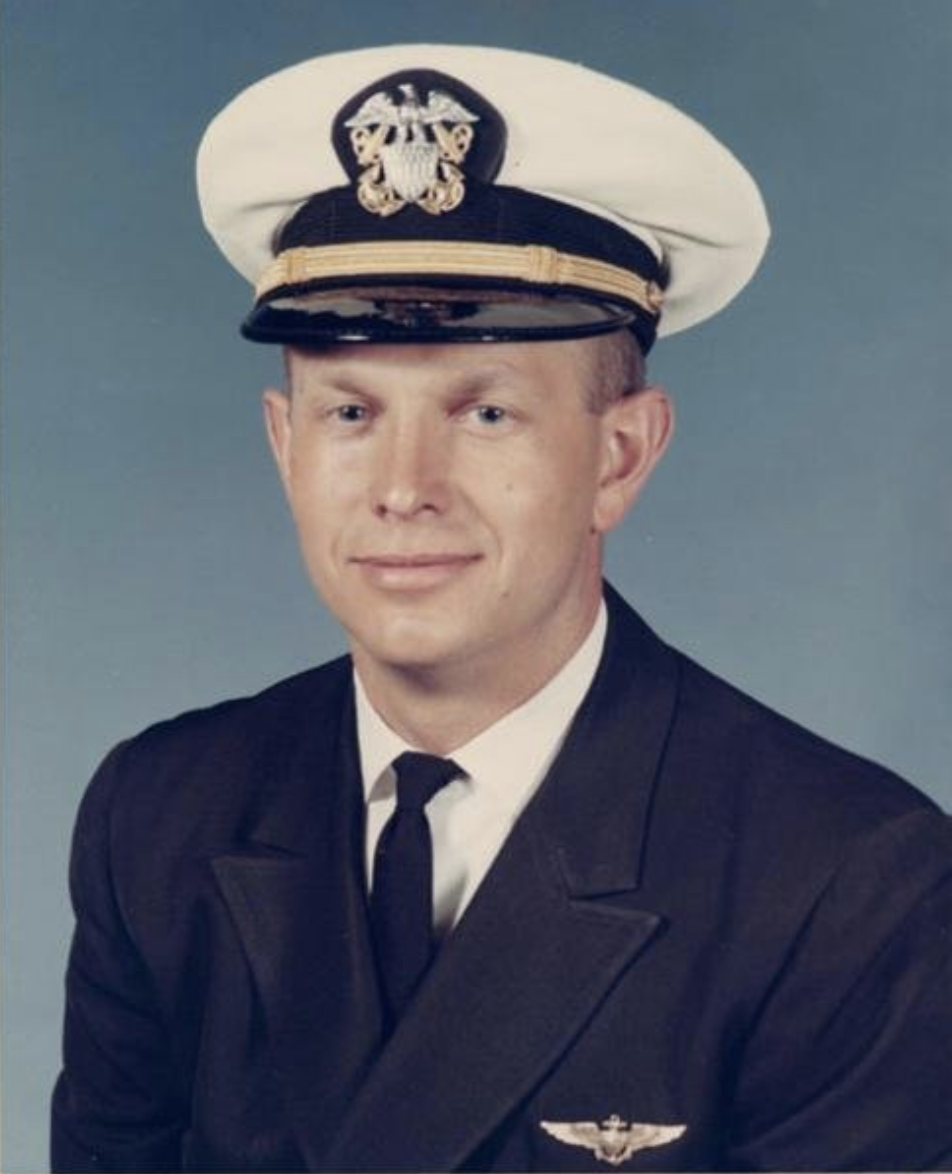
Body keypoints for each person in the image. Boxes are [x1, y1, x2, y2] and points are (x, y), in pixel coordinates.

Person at [51, 44, 952, 1173]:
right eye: (348, 411)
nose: (402, 484)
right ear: (284, 447)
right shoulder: (161, 817)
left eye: (485, 415)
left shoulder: (840, 882)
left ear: (620, 456)